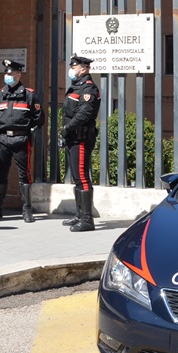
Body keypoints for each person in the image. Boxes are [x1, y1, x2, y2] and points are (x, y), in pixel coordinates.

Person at [0, 59, 43, 222]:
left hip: (21, 139)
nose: (7, 76)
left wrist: (28, 130)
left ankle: (27, 209)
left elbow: (39, 119)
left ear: (19, 74)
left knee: (25, 175)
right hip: (3, 139)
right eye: (6, 73)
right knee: (0, 175)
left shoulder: (29, 95)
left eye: (10, 73)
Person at [60, 54, 101, 232]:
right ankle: (79, 214)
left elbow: (84, 114)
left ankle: (87, 220)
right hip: (72, 136)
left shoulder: (88, 89)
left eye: (74, 67)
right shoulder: (76, 87)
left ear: (83, 69)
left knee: (82, 177)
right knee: (77, 177)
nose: (72, 70)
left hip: (81, 137)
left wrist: (68, 127)